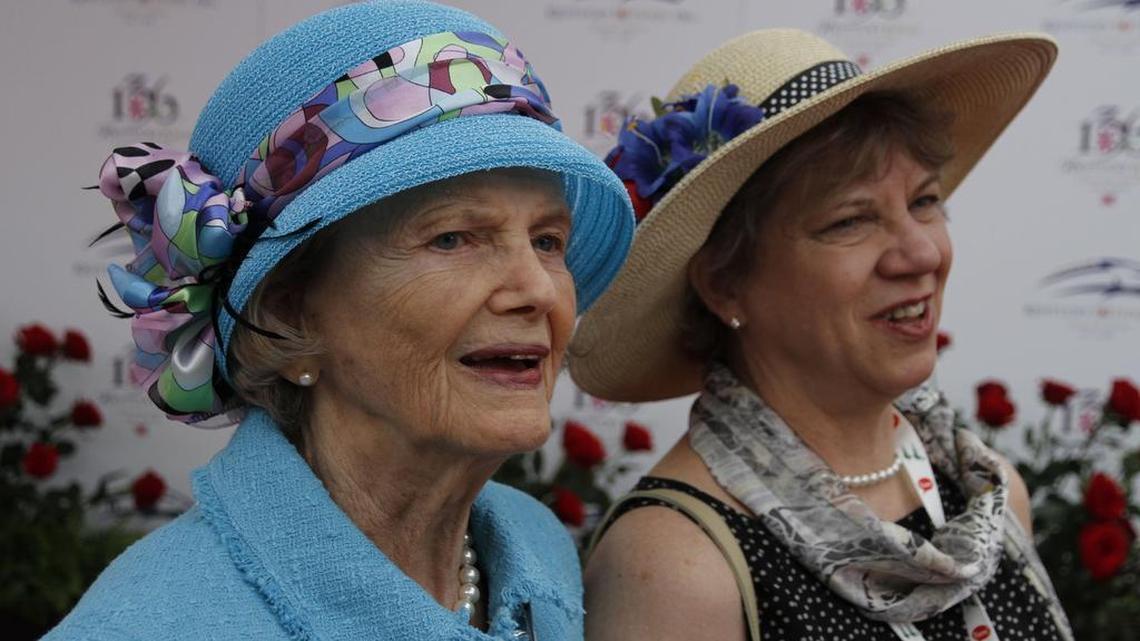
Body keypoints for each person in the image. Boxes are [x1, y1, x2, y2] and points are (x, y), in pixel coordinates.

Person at [45, 2, 633, 640]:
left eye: (548, 241)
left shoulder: (534, 544)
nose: (537, 290)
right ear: (291, 311)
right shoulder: (153, 625)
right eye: (453, 239)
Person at [570, 28, 1075, 641]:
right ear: (724, 284)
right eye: (850, 220)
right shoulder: (676, 564)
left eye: (925, 201)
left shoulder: (986, 494)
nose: (919, 252)